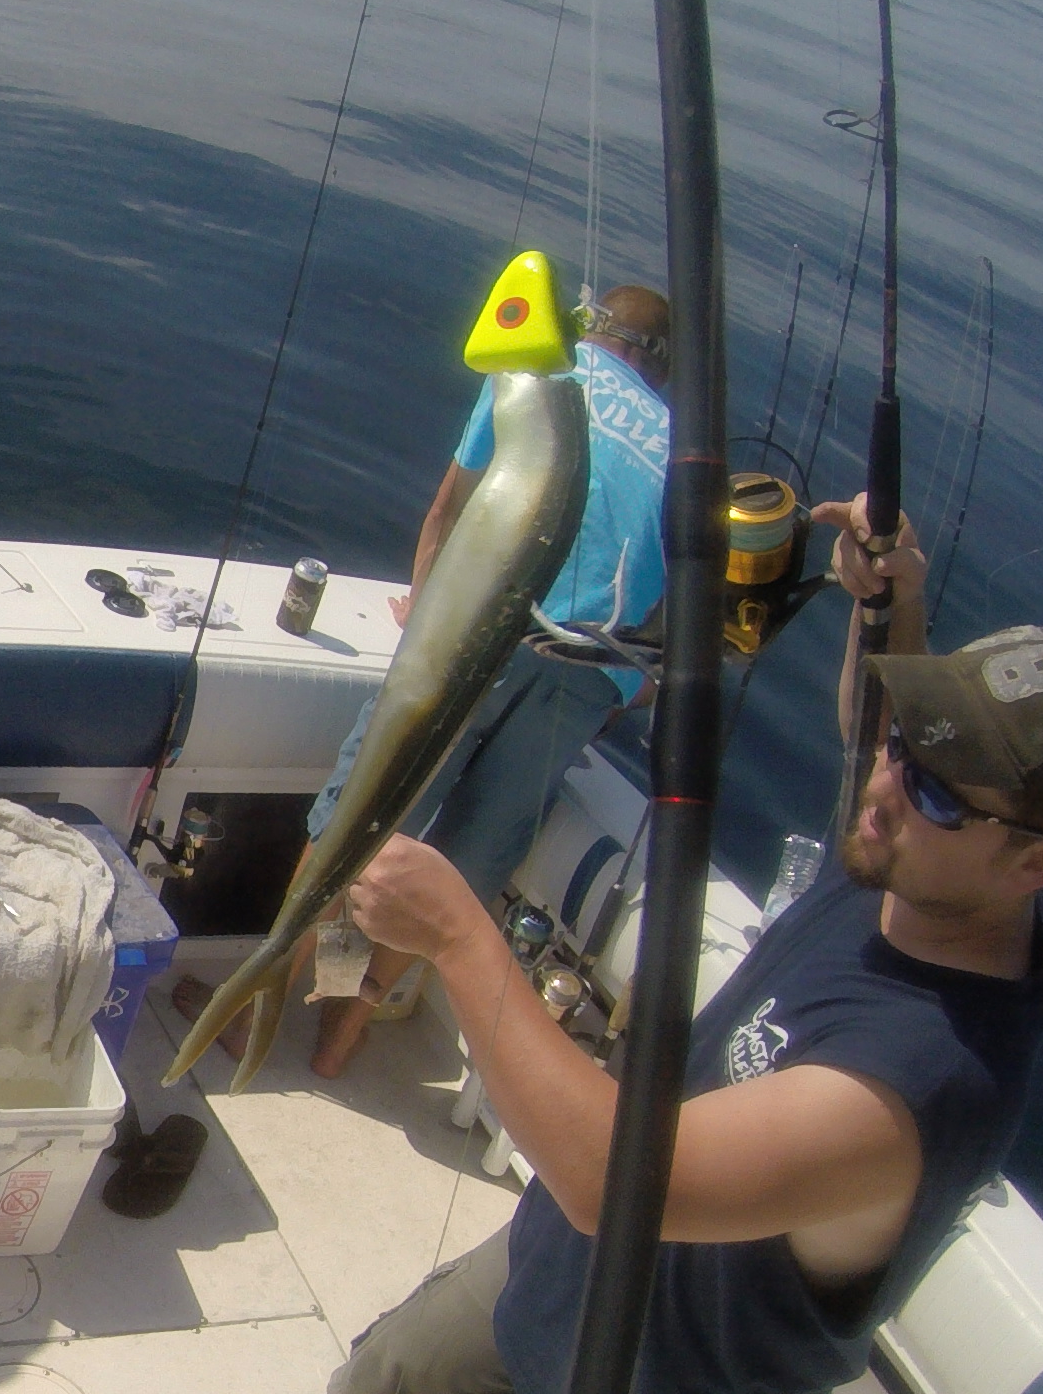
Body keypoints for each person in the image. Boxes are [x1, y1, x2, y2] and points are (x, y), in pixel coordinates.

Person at [139, 493, 1043, 1394]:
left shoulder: (924, 1075)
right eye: (909, 742)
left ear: (1041, 864)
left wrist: (465, 938)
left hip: (661, 1390)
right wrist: (896, 605)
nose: (889, 783)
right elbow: (878, 735)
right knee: (393, 1383)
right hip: (567, 1261)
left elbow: (622, 1180)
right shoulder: (907, 865)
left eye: (940, 787)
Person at [175, 285, 681, 1078]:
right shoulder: (687, 453)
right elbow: (666, 643)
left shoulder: (539, 371)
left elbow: (449, 512)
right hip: (584, 681)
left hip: (477, 637)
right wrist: (614, 694)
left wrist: (425, 617)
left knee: (358, 819)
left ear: (593, 327)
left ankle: (251, 1016)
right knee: (464, 861)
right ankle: (342, 1035)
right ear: (662, 367)